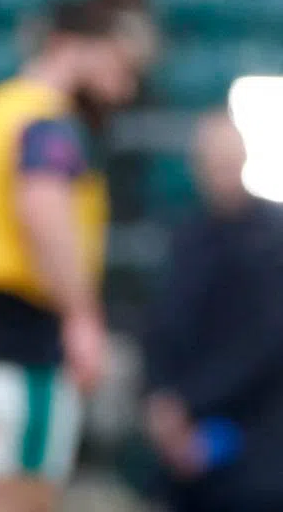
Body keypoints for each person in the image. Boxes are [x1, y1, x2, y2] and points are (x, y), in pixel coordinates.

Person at [0, 0, 154, 512]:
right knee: (21, 500)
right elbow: (44, 214)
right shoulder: (46, 123)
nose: (124, 87)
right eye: (117, 64)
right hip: (17, 343)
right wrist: (82, 317)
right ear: (69, 47)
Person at [144, 112, 283, 512]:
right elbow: (162, 327)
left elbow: (265, 343)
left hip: (257, 448)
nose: (219, 173)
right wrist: (161, 403)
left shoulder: (272, 241)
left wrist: (190, 403)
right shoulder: (185, 236)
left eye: (227, 160)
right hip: (183, 448)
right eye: (211, 162)